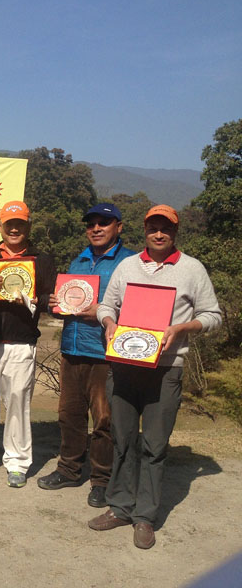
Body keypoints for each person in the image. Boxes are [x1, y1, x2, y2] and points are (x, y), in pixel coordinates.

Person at [88, 204, 221, 549]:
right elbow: (106, 305)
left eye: (166, 228)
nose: (159, 234)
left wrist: (182, 327)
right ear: (144, 231)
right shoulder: (127, 266)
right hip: (125, 365)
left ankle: (144, 517)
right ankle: (120, 507)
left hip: (166, 369)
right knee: (123, 439)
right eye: (153, 228)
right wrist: (109, 323)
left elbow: (213, 316)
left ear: (175, 232)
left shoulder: (192, 269)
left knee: (155, 446)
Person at [37, 204, 135, 507]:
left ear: (118, 226)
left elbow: (138, 306)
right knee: (69, 415)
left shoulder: (130, 262)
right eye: (91, 223)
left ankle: (102, 480)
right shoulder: (78, 261)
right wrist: (56, 301)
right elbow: (68, 300)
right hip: (72, 347)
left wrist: (105, 311)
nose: (96, 228)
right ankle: (68, 469)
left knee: (104, 419)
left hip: (106, 353)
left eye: (103, 223)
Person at [0, 201, 56, 488]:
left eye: (20, 223)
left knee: (17, 403)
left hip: (21, 341)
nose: (14, 228)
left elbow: (51, 299)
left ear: (28, 225)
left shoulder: (43, 259)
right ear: (0, 226)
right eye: (9, 223)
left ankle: (17, 462)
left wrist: (31, 297)